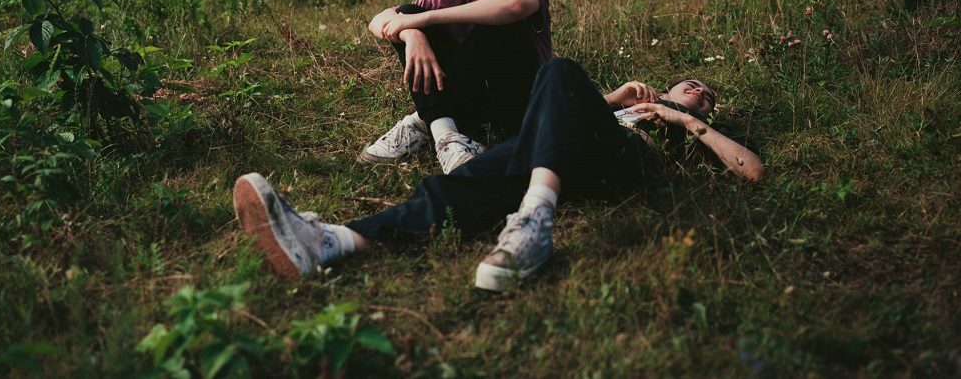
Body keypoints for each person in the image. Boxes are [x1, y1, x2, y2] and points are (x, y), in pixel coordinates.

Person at [233, 58, 764, 292]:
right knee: (467, 182)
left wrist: (686, 121)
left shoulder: (691, 128)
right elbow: (560, 113)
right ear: (669, 84)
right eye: (692, 84)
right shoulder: (631, 104)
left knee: (558, 71)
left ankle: (534, 220)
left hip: (627, 163)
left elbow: (753, 172)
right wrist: (615, 99)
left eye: (707, 94)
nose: (699, 89)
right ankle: (332, 242)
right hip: (565, 156)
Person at [360, 0, 551, 173]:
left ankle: (425, 121)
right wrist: (412, 34)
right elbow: (379, 21)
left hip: (523, 104)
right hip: (473, 105)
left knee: (495, 24)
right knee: (408, 13)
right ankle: (446, 136)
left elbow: (515, 7)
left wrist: (425, 19)